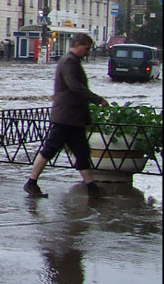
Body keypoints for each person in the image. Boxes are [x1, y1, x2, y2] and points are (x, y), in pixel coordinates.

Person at [23, 33, 110, 198]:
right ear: (77, 44)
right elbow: (75, 86)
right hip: (65, 116)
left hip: (73, 118)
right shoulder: (69, 61)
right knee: (50, 149)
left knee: (82, 151)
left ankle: (92, 188)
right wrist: (98, 100)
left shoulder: (73, 61)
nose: (87, 52)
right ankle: (31, 182)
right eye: (86, 48)